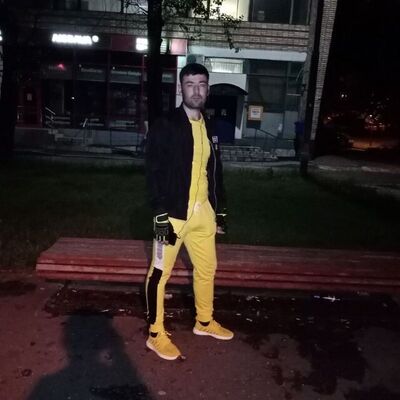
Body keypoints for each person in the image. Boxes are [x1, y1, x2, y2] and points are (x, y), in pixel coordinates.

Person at [145, 63, 233, 361]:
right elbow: (153, 171)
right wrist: (159, 213)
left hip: (203, 214)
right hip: (171, 215)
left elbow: (216, 172)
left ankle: (204, 322)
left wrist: (220, 211)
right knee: (160, 274)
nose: (196, 90)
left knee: (207, 270)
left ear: (208, 89)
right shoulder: (166, 124)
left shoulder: (210, 126)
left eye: (202, 84)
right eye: (190, 84)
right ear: (181, 88)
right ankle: (155, 333)